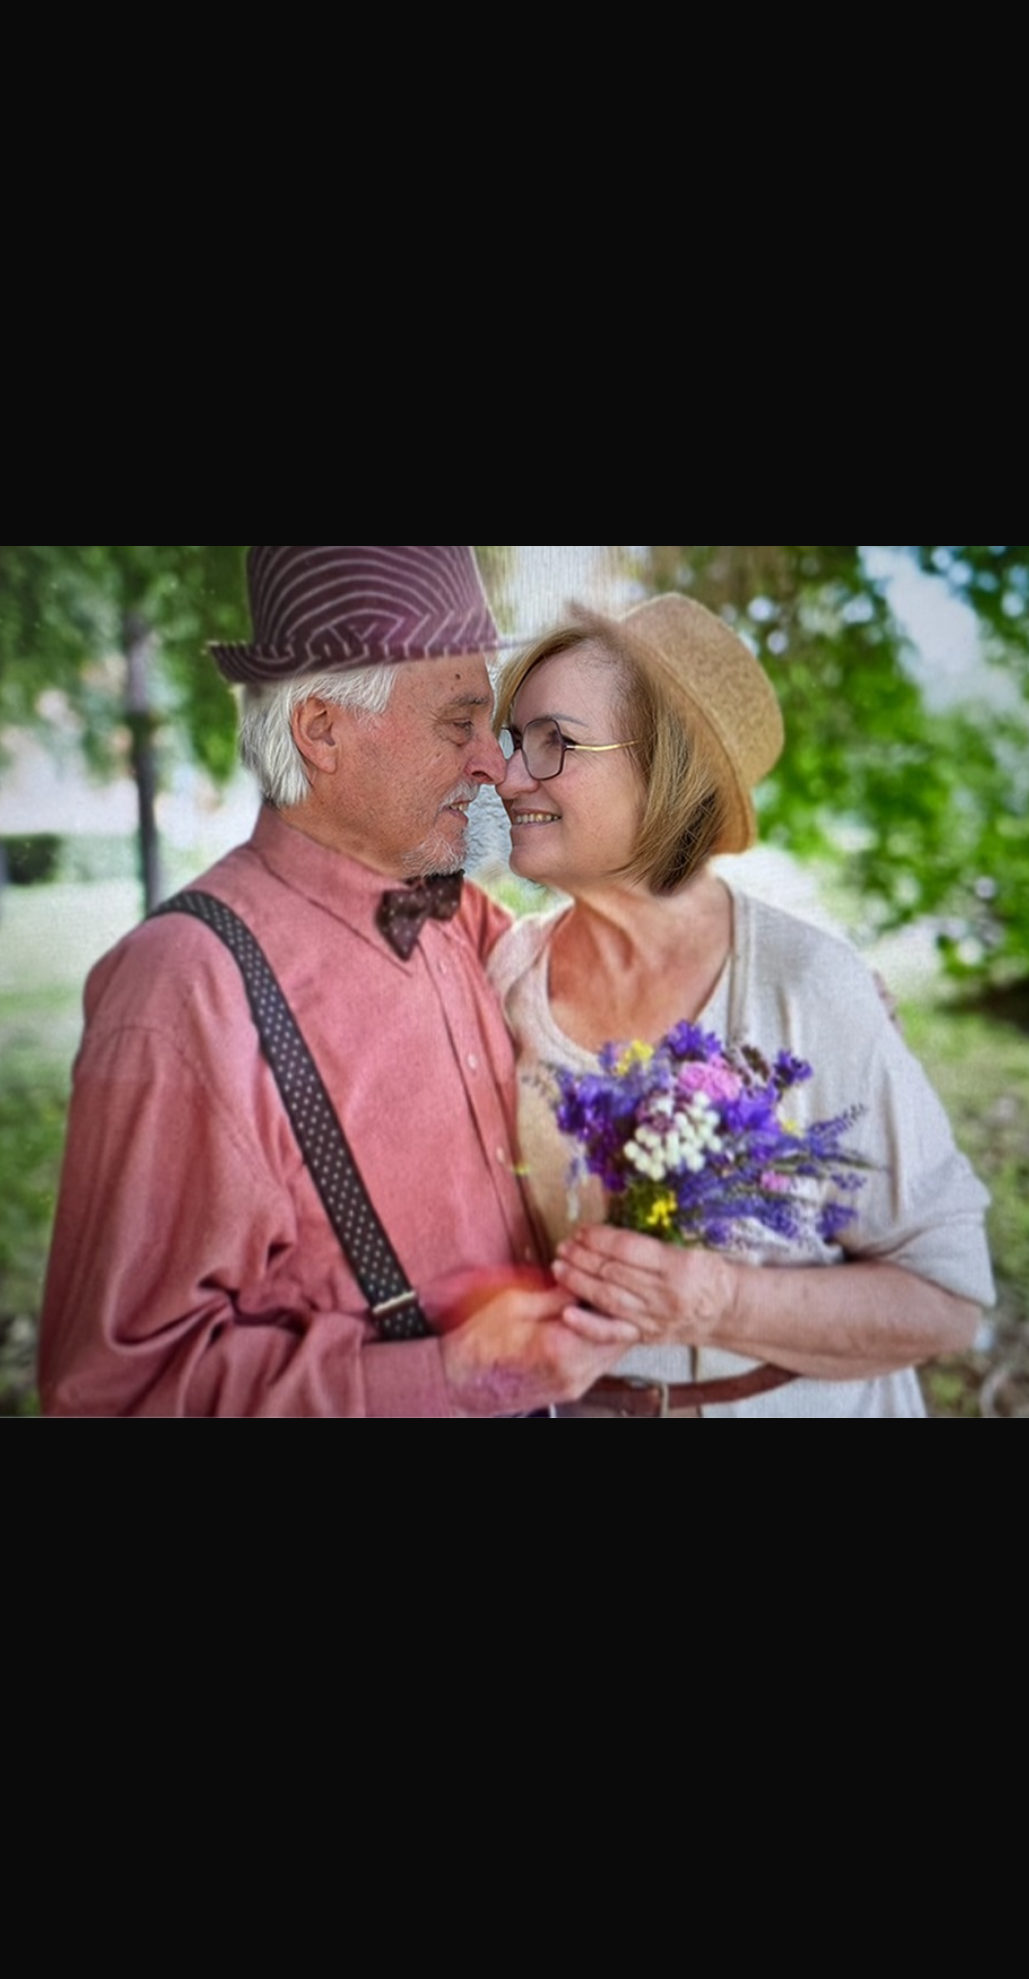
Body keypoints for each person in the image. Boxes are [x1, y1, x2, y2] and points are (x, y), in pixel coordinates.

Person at [39, 546, 639, 1419]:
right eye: (458, 722)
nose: (494, 765)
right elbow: (110, 1395)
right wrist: (449, 1379)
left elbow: (600, 979)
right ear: (321, 730)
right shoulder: (183, 993)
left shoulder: (459, 920)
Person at [487, 596, 996, 1418]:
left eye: (555, 743)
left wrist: (719, 1299)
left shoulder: (807, 985)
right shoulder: (505, 978)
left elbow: (948, 1300)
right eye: (515, 741)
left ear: (666, 769)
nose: (507, 776)